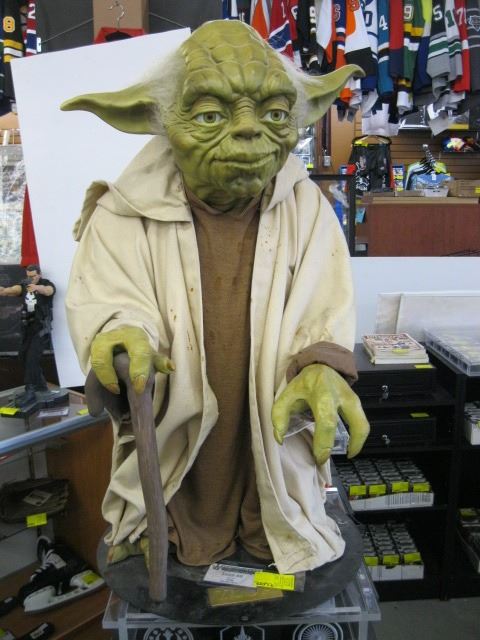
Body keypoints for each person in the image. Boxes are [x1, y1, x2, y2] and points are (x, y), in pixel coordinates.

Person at [62, 20, 370, 575]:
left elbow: (325, 302)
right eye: (209, 115)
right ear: (161, 120)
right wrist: (121, 334)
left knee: (273, 495)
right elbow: (109, 298)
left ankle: (267, 525)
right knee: (175, 503)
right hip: (178, 426)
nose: (249, 132)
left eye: (274, 114)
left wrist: (321, 365)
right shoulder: (122, 213)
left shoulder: (306, 209)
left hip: (268, 420)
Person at [0, 264, 55, 405]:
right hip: (28, 328)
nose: (31, 278)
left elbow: (48, 291)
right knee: (23, 356)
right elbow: (12, 290)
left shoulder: (46, 284)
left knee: (32, 359)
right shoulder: (24, 285)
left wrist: (37, 288)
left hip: (41, 329)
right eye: (28, 276)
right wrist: (3, 290)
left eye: (33, 276)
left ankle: (30, 388)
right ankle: (41, 385)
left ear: (39, 274)